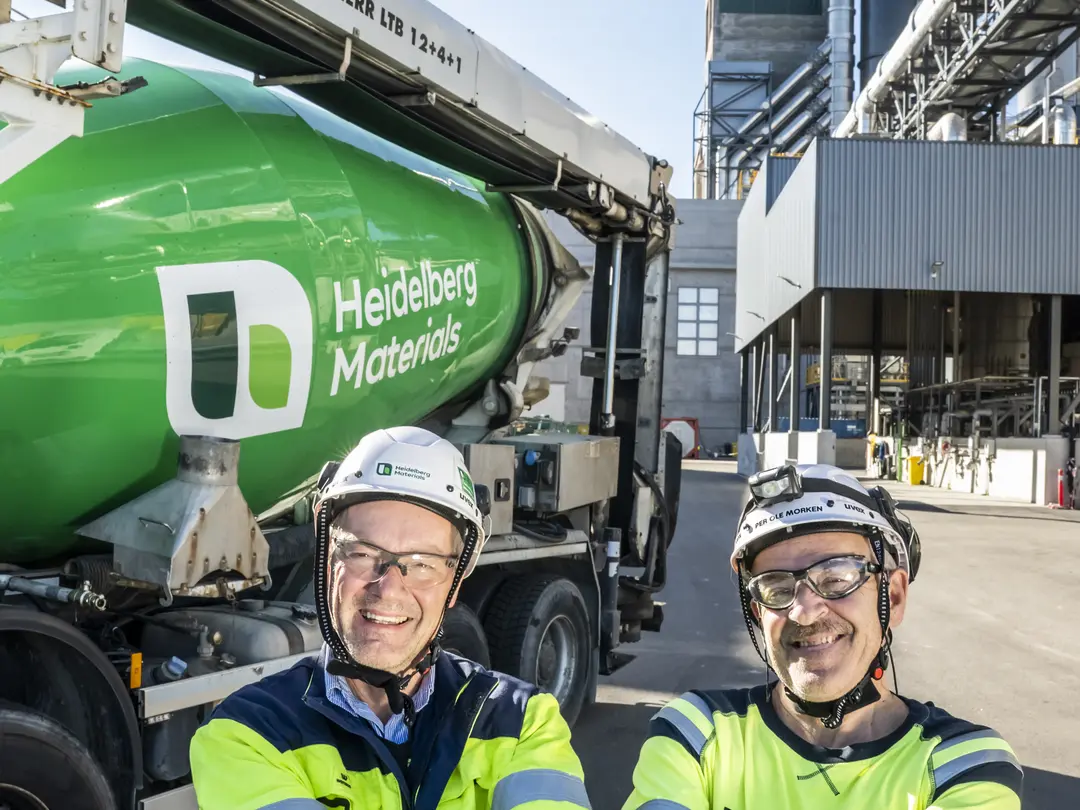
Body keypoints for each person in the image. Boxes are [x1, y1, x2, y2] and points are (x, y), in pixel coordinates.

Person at [190, 426, 591, 810]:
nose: (389, 589)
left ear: (455, 580)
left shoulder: (524, 722)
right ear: (328, 556)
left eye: (423, 563)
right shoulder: (247, 733)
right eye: (364, 553)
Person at [622, 463, 1023, 810]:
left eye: (836, 577)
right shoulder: (698, 733)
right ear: (759, 612)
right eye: (776, 587)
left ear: (894, 597)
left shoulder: (964, 764)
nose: (803, 611)